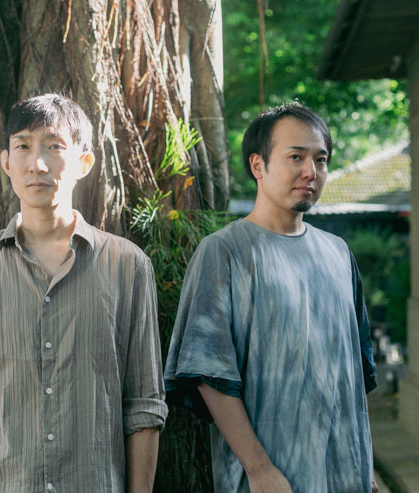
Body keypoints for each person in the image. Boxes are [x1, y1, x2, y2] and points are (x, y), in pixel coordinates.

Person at [0, 93, 168, 493]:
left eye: (54, 146)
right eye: (23, 147)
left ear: (84, 162)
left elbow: (144, 408)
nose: (38, 164)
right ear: (6, 162)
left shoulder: (127, 266)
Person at [164, 102, 378, 493]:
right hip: (268, 480)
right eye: (296, 157)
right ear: (258, 165)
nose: (310, 172)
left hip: (346, 477)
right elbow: (210, 377)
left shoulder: (338, 253)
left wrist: (364, 464)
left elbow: (354, 373)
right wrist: (260, 469)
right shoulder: (224, 252)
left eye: (320, 160)